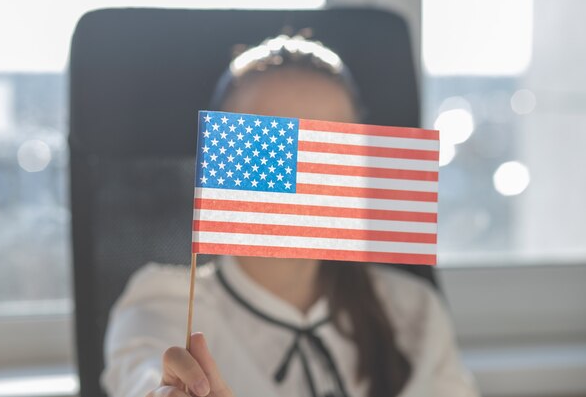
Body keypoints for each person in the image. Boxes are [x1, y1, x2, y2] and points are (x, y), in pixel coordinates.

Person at [101, 35, 480, 397]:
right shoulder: (164, 304)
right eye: (268, 143)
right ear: (221, 160)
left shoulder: (413, 310)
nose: (301, 173)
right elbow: (144, 375)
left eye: (329, 143)